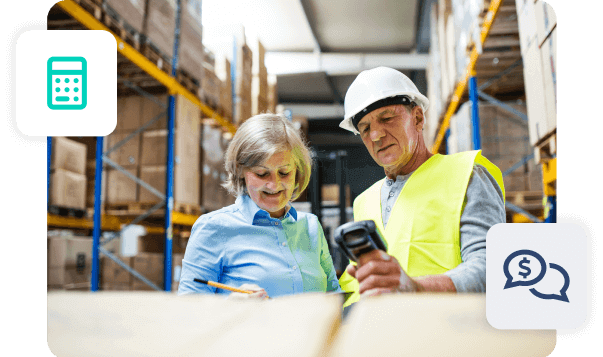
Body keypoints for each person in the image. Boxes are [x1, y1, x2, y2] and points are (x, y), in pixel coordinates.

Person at [337, 67, 506, 307]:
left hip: (451, 334)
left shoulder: (465, 174)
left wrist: (415, 288)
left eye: (386, 118)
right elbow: (359, 284)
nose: (375, 135)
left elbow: (493, 268)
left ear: (417, 118)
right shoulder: (364, 201)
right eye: (364, 128)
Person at [178, 113, 341, 299]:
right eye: (262, 174)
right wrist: (230, 305)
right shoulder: (214, 228)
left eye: (285, 172)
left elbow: (332, 296)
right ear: (240, 170)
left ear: (298, 170)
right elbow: (188, 312)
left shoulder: (311, 226)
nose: (275, 185)